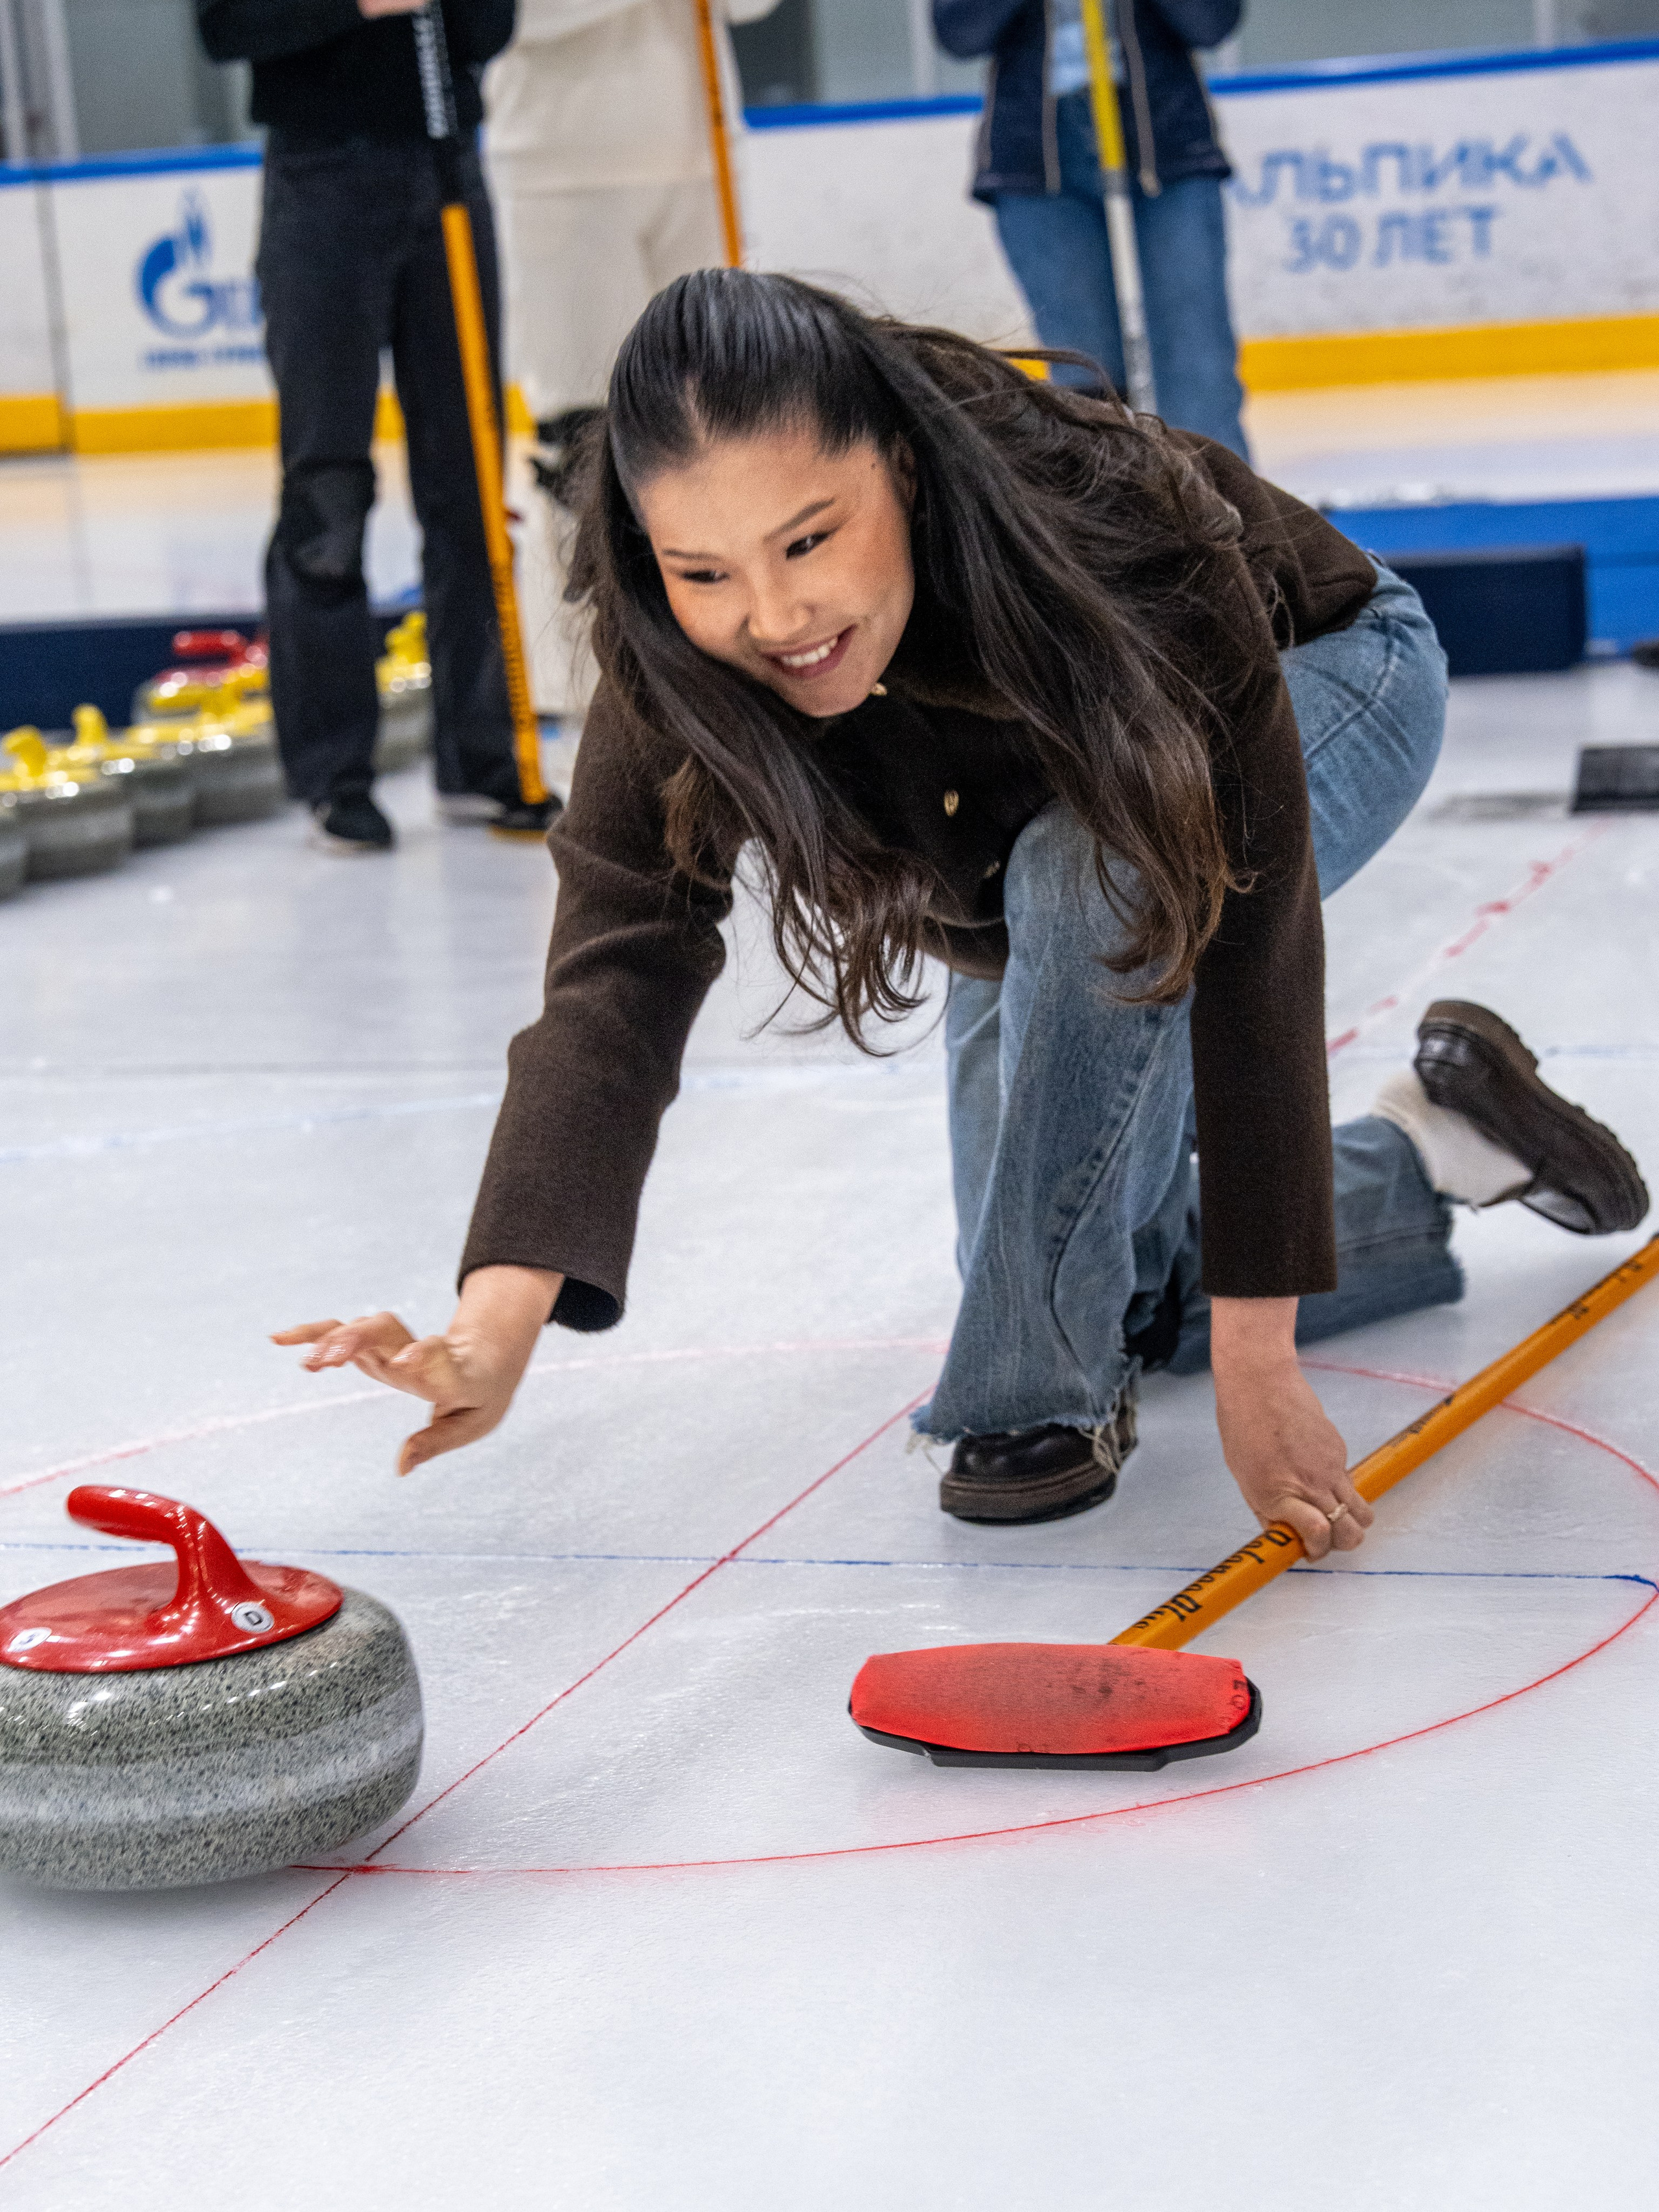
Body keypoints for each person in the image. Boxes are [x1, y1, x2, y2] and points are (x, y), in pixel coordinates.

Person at [275, 272, 1648, 1559]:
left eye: (808, 538)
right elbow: (615, 970)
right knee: (1069, 1251)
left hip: (1321, 673)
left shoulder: (1105, 511)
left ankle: (1027, 1396)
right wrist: (492, 1320)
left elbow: (1248, 926)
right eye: (704, 571)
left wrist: (1257, 1353)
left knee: (1084, 920)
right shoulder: (673, 654)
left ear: (903, 467)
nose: (772, 614)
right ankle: (1444, 1143)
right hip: (1026, 826)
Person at [196, 0, 563, 852]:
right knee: (328, 487)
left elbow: (489, 30)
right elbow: (225, 26)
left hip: (447, 175)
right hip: (321, 182)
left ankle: (483, 756)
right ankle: (334, 772)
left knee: (470, 480)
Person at [481, 0, 780, 719]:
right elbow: (503, 18)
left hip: (695, 150)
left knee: (721, 407)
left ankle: (732, 651)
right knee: (584, 434)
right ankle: (596, 685)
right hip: (561, 164)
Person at [934, 0, 1249, 458]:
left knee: (1196, 368)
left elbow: (1212, 22)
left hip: (1167, 143)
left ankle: (1227, 520)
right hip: (1037, 161)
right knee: (1087, 381)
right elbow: (960, 34)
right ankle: (1115, 523)